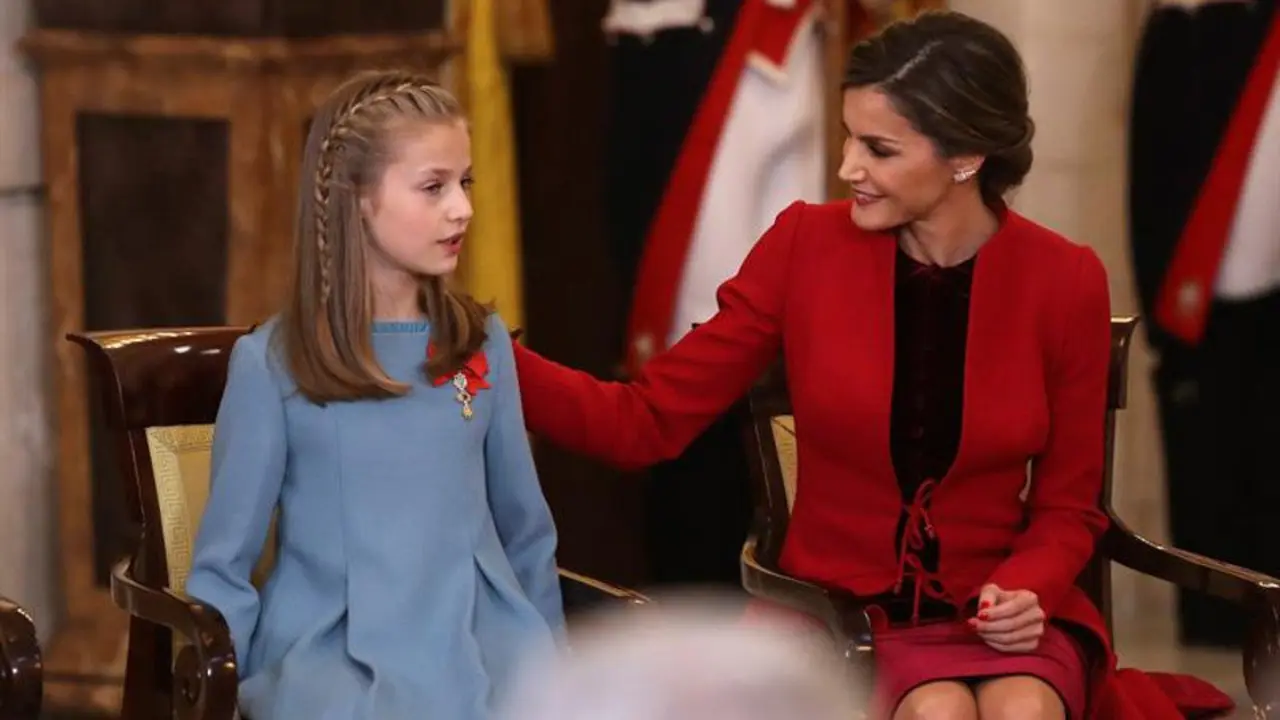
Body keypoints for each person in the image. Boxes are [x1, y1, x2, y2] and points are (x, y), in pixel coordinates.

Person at [511, 10, 1232, 720]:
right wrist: (485, 355)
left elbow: (1070, 505)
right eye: (849, 136)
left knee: (1024, 709)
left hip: (1001, 612)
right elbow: (645, 422)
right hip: (839, 616)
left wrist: (1027, 587)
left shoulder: (1065, 279)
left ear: (966, 157)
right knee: (938, 711)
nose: (847, 167)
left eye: (878, 149)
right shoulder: (803, 246)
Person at [184, 69, 564, 720]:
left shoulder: (484, 343)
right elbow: (223, 567)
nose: (463, 208)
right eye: (433, 187)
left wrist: (558, 670)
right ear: (358, 197)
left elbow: (526, 531)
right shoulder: (272, 365)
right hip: (333, 655)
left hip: (483, 644)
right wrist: (222, 690)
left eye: (465, 182)